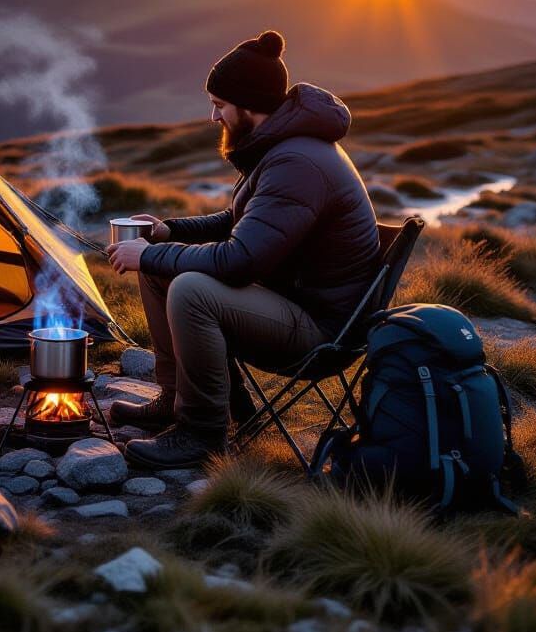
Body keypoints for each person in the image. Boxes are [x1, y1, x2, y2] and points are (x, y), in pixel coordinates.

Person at [106, 30, 380, 469]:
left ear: (249, 107)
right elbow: (239, 225)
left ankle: (201, 432)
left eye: (219, 105)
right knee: (161, 269)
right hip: (294, 302)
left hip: (321, 329)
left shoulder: (297, 163)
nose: (213, 117)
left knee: (191, 289)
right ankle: (176, 398)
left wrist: (151, 253)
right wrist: (165, 232)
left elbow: (240, 260)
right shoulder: (285, 147)